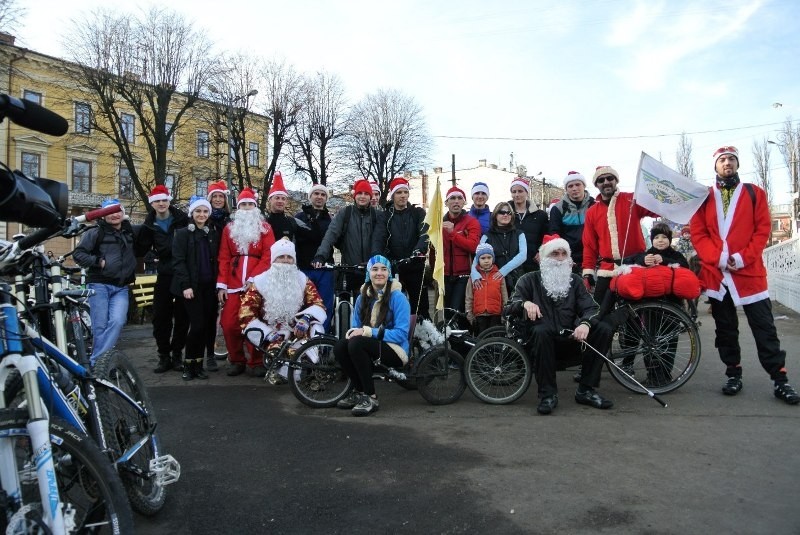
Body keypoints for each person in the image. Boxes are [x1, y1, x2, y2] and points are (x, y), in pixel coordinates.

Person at [690, 145, 799, 404]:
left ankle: (780, 380)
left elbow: (762, 231)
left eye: (731, 159)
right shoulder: (703, 197)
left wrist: (741, 257)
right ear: (715, 166)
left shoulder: (754, 193)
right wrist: (716, 258)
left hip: (750, 275)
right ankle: (733, 374)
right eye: (722, 160)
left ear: (737, 164)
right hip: (717, 276)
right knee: (725, 330)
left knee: (764, 329)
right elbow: (698, 233)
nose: (727, 163)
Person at [509, 234, 614, 415]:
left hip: (572, 341)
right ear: (543, 257)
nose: (559, 259)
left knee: (603, 329)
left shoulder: (576, 282)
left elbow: (592, 309)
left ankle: (586, 390)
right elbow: (509, 308)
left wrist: (585, 324)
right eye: (554, 254)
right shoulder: (528, 280)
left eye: (562, 254)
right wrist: (524, 304)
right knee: (541, 331)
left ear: (568, 258)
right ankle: (548, 395)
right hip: (539, 345)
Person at [239, 238, 327, 384]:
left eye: (289, 257)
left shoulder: (303, 280)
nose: (285, 261)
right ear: (273, 259)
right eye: (281, 257)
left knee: (316, 331)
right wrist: (267, 333)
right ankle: (281, 370)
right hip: (272, 333)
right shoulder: (259, 282)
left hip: (299, 330)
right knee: (279, 357)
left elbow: (318, 303)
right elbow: (246, 314)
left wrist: (306, 319)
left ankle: (312, 371)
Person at [334, 255, 411, 416]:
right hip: (370, 346)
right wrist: (353, 334)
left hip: (395, 349)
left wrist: (368, 332)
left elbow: (401, 334)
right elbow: (356, 327)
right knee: (341, 346)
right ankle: (359, 391)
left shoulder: (398, 297)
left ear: (389, 273)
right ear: (369, 273)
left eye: (384, 269)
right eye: (375, 269)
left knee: (356, 344)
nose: (379, 273)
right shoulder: (362, 297)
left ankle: (371, 397)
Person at [216, 188, 275, 377]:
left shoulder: (265, 228)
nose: (247, 208)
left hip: (256, 282)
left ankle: (257, 361)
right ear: (238, 208)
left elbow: (268, 255)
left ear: (255, 207)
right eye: (243, 205)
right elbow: (224, 257)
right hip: (233, 283)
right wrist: (222, 284)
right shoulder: (229, 229)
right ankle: (236, 359)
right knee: (229, 323)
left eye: (250, 204)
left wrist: (254, 278)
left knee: (255, 321)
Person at [73, 198, 136, 366]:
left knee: (117, 321)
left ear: (123, 214)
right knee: (99, 326)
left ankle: (96, 362)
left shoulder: (129, 232)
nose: (114, 215)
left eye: (117, 211)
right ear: (103, 215)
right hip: (99, 285)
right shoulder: (95, 232)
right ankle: (101, 365)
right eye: (109, 212)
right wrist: (98, 261)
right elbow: (78, 254)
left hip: (121, 287)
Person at [581, 166, 657, 307]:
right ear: (596, 185)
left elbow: (656, 209)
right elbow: (589, 245)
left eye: (610, 178)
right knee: (597, 312)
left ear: (616, 180)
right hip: (607, 269)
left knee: (637, 311)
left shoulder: (632, 200)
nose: (606, 182)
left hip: (635, 265)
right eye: (601, 180)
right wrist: (588, 272)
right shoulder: (592, 212)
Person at [136, 185, 190, 374]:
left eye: (164, 200)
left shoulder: (183, 220)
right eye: (157, 201)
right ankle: (163, 356)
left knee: (183, 317)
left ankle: (177, 356)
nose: (161, 203)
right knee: (161, 317)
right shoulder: (149, 224)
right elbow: (140, 249)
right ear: (152, 203)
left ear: (169, 201)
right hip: (165, 273)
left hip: (183, 273)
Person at [171, 195, 220, 381]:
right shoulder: (183, 233)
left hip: (209, 287)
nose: (202, 214)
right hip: (191, 288)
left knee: (206, 326)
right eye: (198, 211)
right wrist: (186, 285)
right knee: (197, 326)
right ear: (192, 213)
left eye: (205, 211)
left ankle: (198, 365)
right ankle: (188, 363)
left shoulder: (211, 234)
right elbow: (179, 261)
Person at [312, 178, 387, 292]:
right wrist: (321, 256)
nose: (362, 196)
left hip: (373, 271)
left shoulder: (377, 215)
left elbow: (381, 239)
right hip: (350, 270)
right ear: (354, 196)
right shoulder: (345, 212)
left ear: (370, 197)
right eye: (359, 193)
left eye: (366, 194)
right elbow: (331, 234)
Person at [383, 176, 430, 319]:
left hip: (415, 265)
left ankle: (424, 336)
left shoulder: (418, 213)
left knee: (420, 307)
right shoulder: (386, 215)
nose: (403, 196)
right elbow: (380, 237)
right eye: (399, 193)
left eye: (405, 192)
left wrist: (418, 250)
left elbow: (425, 233)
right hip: (395, 266)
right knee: (395, 306)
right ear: (392, 196)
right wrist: (384, 256)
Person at [295, 183, 335, 331]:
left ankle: (321, 340)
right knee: (304, 305)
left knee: (324, 305)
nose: (319, 197)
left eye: (323, 194)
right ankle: (303, 340)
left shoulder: (331, 220)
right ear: (310, 196)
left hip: (325, 269)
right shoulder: (299, 217)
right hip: (304, 269)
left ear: (326, 198)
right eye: (316, 194)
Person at [470, 201, 527, 295]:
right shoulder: (487, 236)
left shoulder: (519, 234)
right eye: (502, 212)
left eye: (509, 213)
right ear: (495, 215)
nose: (505, 215)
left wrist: (503, 271)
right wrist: (474, 274)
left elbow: (523, 255)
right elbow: (477, 258)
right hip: (493, 280)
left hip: (516, 279)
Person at [441, 186, 482, 314]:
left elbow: (473, 246)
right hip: (444, 276)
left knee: (457, 311)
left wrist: (452, 233)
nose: (456, 201)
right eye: (452, 198)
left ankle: (462, 334)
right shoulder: (439, 222)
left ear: (464, 202)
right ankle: (448, 334)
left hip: (463, 275)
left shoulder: (471, 222)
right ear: (446, 203)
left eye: (460, 198)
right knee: (446, 312)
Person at [548, 171, 595, 274]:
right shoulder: (557, 208)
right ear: (566, 189)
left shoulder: (594, 206)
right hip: (568, 259)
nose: (574, 188)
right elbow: (554, 234)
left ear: (584, 186)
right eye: (570, 186)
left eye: (578, 184)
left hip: (592, 257)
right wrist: (563, 258)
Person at [465, 243, 508, 333]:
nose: (486, 261)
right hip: (479, 314)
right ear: (478, 260)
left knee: (494, 338)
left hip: (496, 314)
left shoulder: (499, 275)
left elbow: (504, 296)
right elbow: (469, 296)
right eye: (483, 258)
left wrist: (505, 313)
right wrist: (469, 313)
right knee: (481, 339)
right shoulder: (474, 277)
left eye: (489, 257)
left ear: (493, 258)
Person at [509, 177, 548, 272]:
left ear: (527, 192)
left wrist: (541, 252)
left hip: (533, 263)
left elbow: (546, 237)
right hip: (511, 264)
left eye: (520, 191)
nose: (517, 195)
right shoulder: (505, 213)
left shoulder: (540, 215)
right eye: (514, 192)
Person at [265, 171, 300, 242]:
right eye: (277, 198)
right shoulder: (264, 223)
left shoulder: (292, 222)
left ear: (286, 202)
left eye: (283, 198)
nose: (280, 201)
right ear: (270, 200)